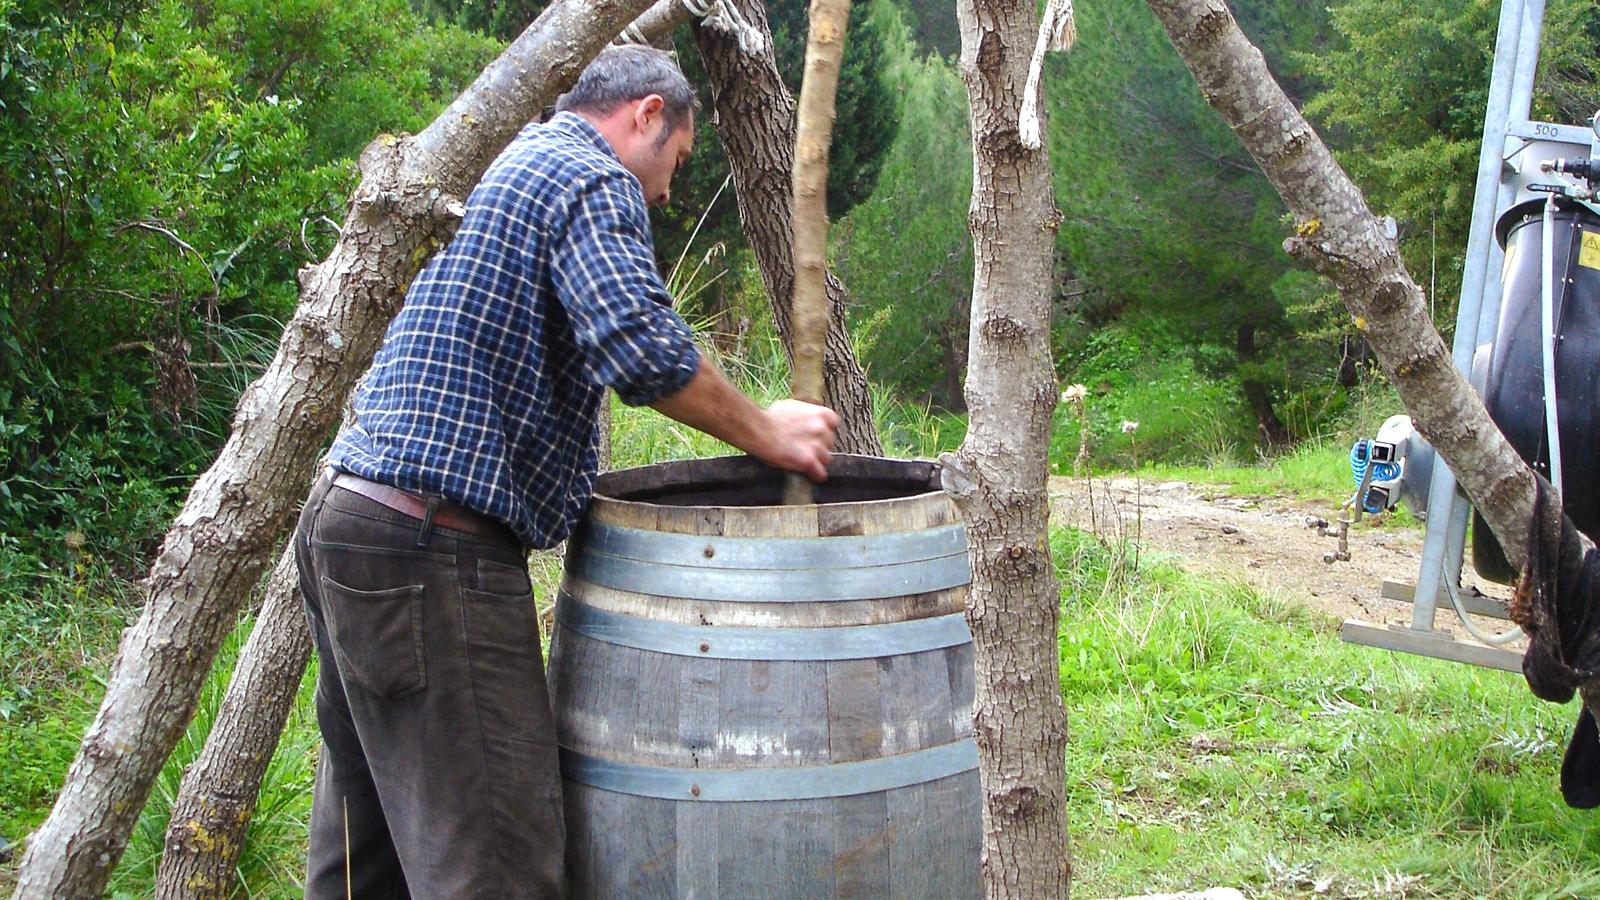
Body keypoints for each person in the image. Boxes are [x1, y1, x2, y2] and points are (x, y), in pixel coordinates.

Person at [292, 45, 838, 897]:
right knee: (498, 867)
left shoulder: (514, 162)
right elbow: (640, 350)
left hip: (352, 526)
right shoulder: (588, 174)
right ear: (646, 114)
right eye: (676, 166)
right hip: (433, 547)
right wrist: (769, 431)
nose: (664, 195)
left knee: (369, 864)